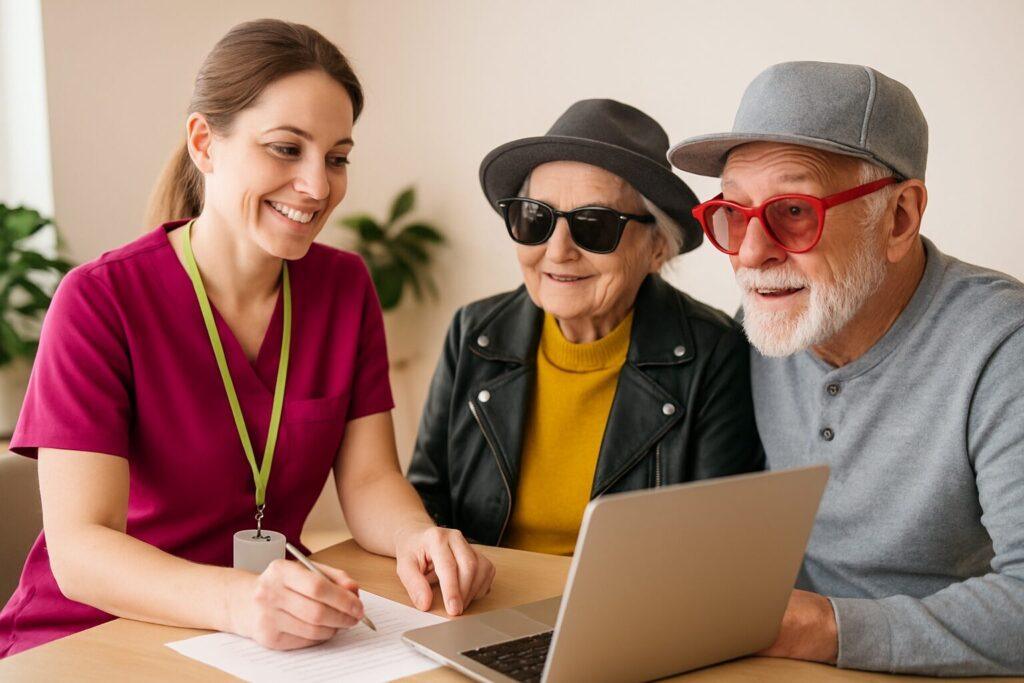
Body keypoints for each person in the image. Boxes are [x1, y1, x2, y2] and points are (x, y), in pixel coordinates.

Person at [0, 19, 492, 658]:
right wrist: (237, 601)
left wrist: (417, 537)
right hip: (91, 635)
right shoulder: (99, 300)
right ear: (205, 143)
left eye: (337, 157)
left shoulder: (345, 287)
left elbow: (370, 481)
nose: (318, 187)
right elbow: (82, 551)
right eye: (287, 148)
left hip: (260, 638)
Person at [670, 61, 1024, 675]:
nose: (752, 254)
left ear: (899, 218)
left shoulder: (1003, 347)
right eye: (732, 211)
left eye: (794, 211)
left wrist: (823, 629)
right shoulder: (762, 327)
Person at [407, 99, 763, 556]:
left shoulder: (713, 353)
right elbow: (425, 500)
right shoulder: (474, 333)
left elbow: (711, 548)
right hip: (479, 605)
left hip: (627, 618)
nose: (557, 251)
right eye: (535, 218)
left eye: (594, 225)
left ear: (658, 248)